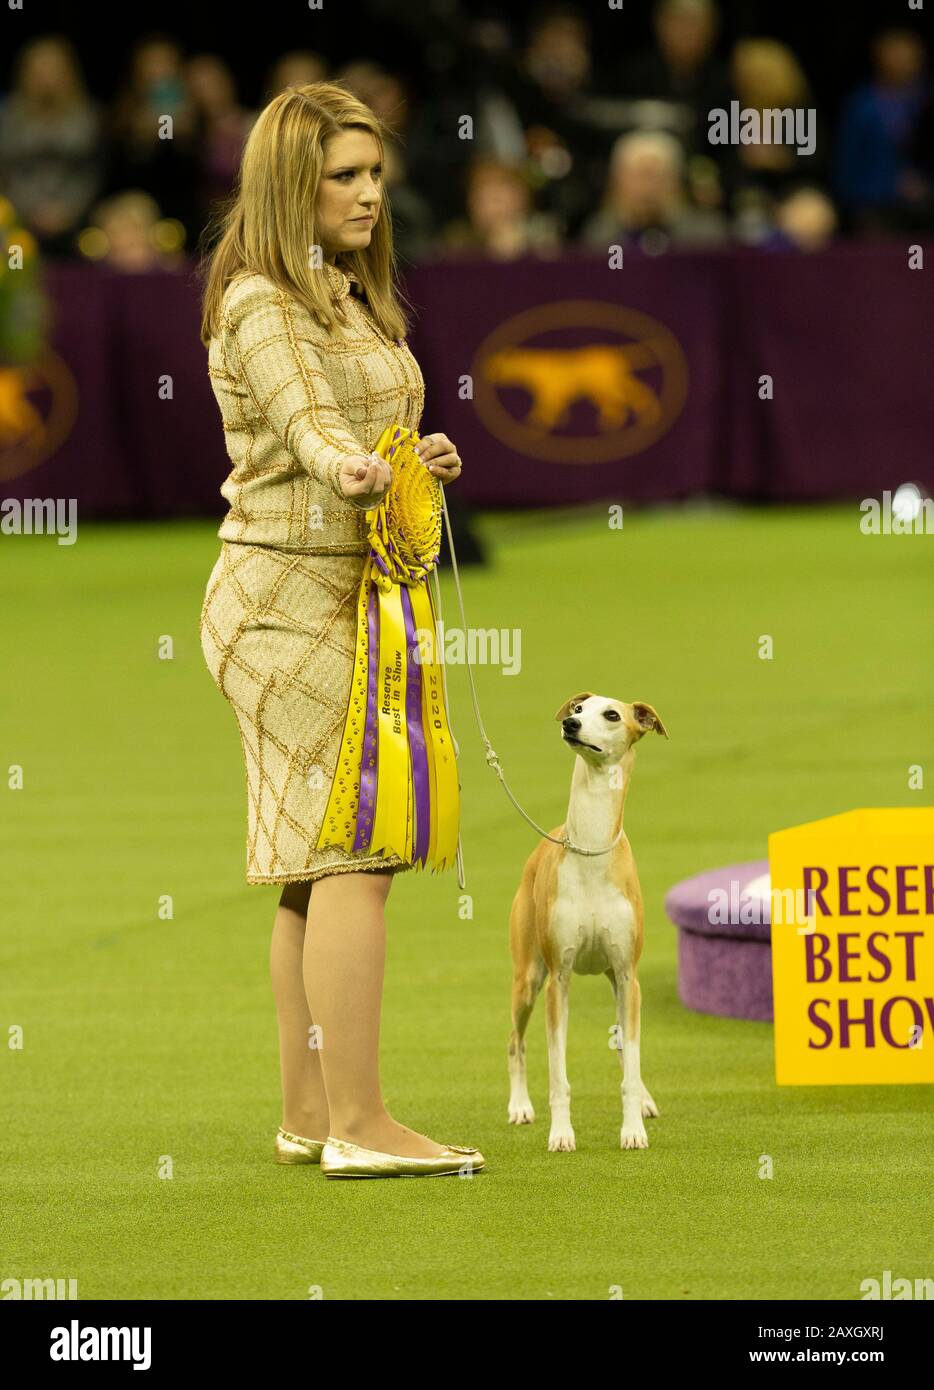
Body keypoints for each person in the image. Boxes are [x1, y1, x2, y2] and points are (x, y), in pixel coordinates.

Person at [197, 82, 483, 1179]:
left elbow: (358, 419)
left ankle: (312, 1113)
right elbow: (305, 421)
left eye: (374, 173)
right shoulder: (264, 300)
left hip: (336, 592)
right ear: (291, 185)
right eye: (345, 177)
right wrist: (348, 464)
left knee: (310, 872)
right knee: (358, 852)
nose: (371, 193)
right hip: (285, 600)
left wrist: (413, 457)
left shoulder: (342, 291)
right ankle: (362, 1125)